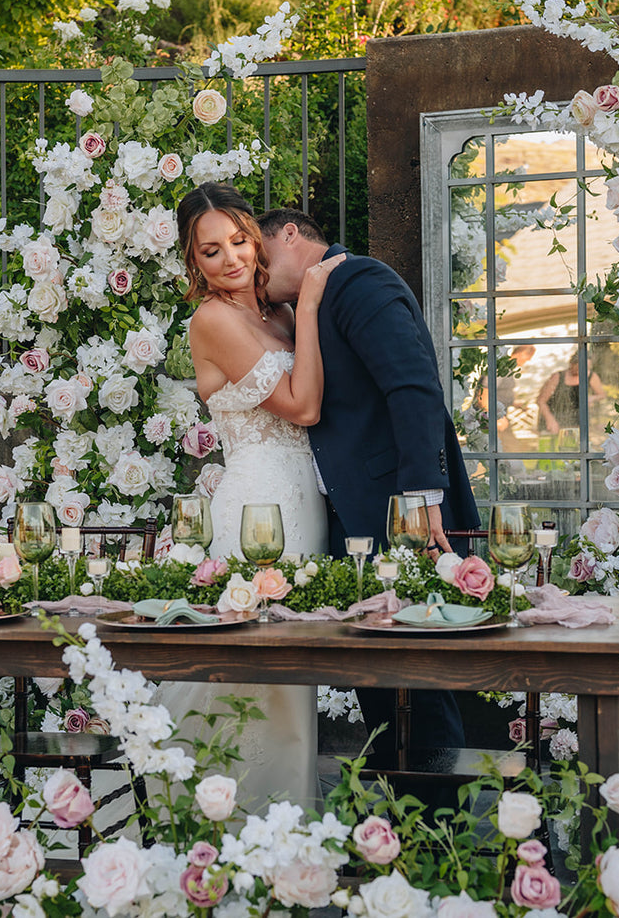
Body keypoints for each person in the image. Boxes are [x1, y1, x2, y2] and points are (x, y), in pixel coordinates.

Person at [257, 206, 481, 791]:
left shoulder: (359, 280)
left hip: (403, 519)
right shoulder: (301, 309)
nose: (255, 272)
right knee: (381, 691)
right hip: (353, 525)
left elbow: (413, 384)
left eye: (260, 256)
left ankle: (441, 836)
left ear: (289, 234)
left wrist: (421, 495)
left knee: (420, 689)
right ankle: (406, 833)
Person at [158, 183, 343, 812]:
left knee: (294, 669)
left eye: (240, 240)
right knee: (248, 663)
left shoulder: (274, 314)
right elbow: (303, 404)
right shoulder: (213, 320)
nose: (232, 258)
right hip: (257, 506)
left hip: (305, 501)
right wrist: (313, 306)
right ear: (194, 262)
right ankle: (222, 819)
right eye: (211, 251)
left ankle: (287, 823)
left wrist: (302, 312)